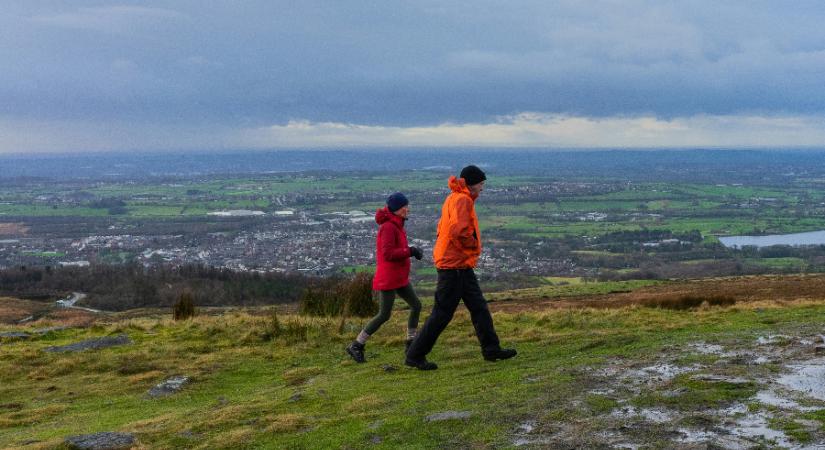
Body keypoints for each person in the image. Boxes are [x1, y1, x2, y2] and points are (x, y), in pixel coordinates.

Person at [405, 165, 516, 370]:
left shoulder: (453, 197)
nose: (483, 188)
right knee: (442, 313)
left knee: (479, 307)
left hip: (459, 264)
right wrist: (474, 245)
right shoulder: (462, 200)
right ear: (472, 184)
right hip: (454, 265)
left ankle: (492, 349)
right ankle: (415, 354)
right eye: (481, 184)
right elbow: (459, 232)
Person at [346, 192, 424, 363]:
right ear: (396, 209)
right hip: (389, 279)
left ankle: (411, 343)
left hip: (399, 277)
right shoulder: (388, 227)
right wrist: (410, 251)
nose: (407, 209)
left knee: (416, 306)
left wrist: (410, 251)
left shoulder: (397, 225)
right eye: (404, 206)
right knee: (384, 314)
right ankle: (357, 345)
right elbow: (388, 253)